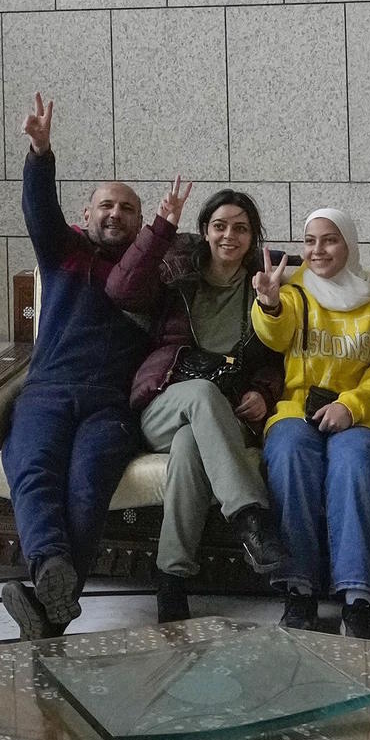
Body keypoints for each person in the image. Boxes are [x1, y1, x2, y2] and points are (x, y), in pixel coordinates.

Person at [0, 93, 170, 641]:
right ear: (86, 214)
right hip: (47, 391)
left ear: (141, 223)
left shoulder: (152, 273)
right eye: (106, 206)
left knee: (87, 483)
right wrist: (41, 152)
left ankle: (49, 607)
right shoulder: (62, 251)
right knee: (32, 469)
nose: (115, 214)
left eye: (127, 209)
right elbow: (37, 210)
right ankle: (52, 569)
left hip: (110, 404)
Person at [111, 187, 292, 621]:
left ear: (254, 237)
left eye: (241, 228)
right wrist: (161, 227)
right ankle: (250, 517)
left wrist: (263, 394)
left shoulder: (263, 286)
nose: (230, 235)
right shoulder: (177, 275)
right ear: (205, 232)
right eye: (219, 226)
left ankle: (170, 578)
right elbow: (122, 290)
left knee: (193, 445)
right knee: (201, 398)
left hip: (219, 420)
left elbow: (280, 357)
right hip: (164, 405)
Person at [250, 209, 370, 639]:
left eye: (329, 240)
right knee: (289, 453)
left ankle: (357, 596)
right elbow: (275, 336)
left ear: (350, 245)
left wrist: (351, 406)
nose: (317, 250)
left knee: (354, 463)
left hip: (360, 415)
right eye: (310, 240)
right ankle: (298, 588)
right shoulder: (294, 290)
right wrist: (268, 303)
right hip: (298, 409)